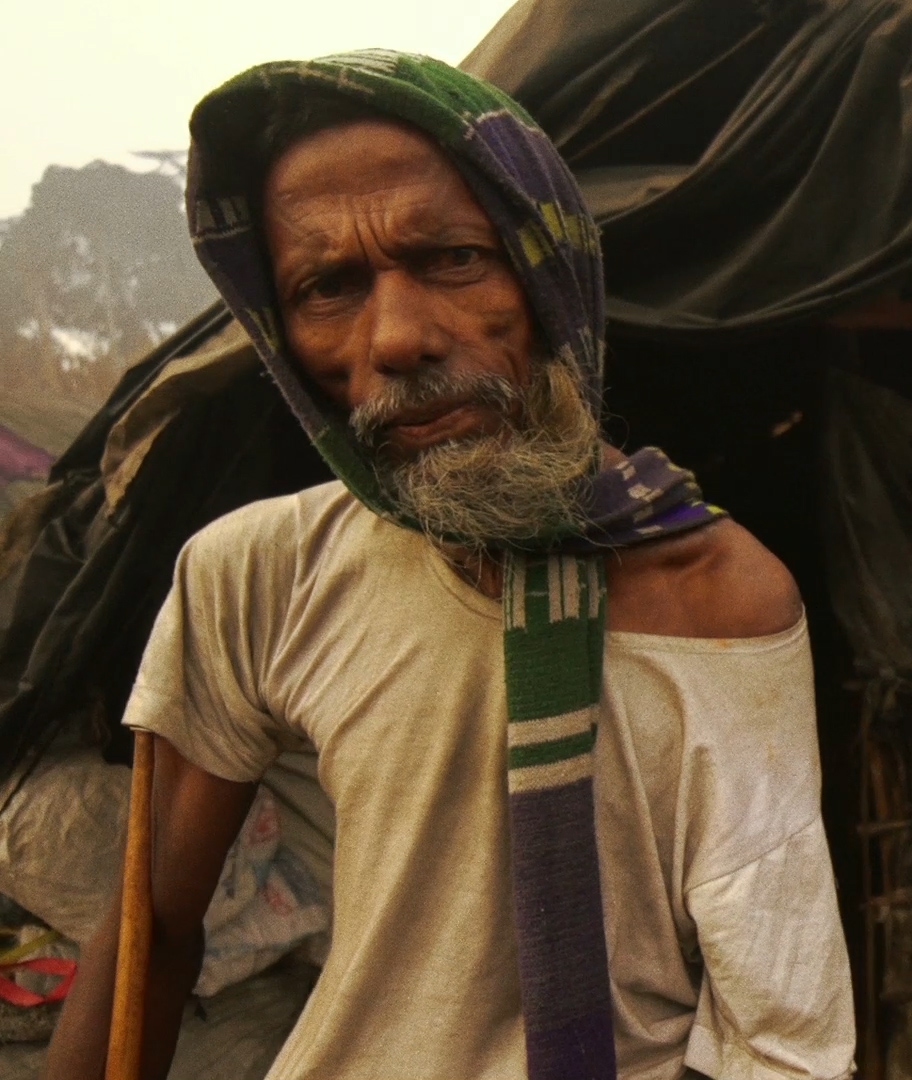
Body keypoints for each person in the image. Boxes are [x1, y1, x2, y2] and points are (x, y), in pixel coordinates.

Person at [46, 51, 855, 1080]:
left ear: (548, 271)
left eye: (454, 259)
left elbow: (778, 1035)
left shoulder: (717, 594)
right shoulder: (260, 573)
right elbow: (150, 933)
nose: (398, 337)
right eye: (328, 286)